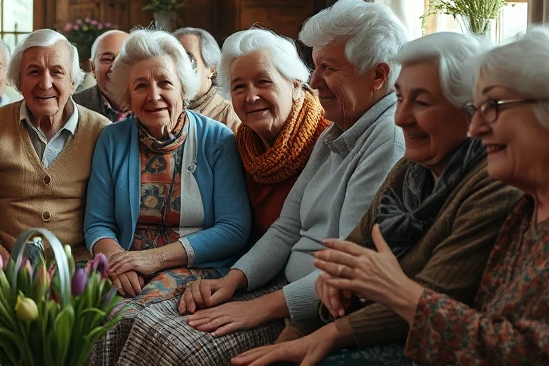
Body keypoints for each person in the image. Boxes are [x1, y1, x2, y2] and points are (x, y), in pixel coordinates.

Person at [112, 0, 408, 366]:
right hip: (280, 287)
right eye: (315, 68)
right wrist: (234, 281)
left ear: (378, 75)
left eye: (327, 69)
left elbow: (347, 274)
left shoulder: (385, 138)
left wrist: (261, 309)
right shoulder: (336, 132)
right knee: (147, 325)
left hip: (311, 304)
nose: (315, 81)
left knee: (183, 347)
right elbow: (287, 228)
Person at [231, 31, 520, 366]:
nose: (400, 118)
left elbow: (429, 301)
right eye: (400, 99)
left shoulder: (492, 183)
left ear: (470, 110)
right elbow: (341, 268)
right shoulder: (409, 169)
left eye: (421, 102)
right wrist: (299, 330)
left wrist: (326, 331)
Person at [298, 27, 549, 365]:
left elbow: (518, 350)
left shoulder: (500, 190)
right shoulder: (525, 209)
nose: (477, 128)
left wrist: (394, 289)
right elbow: (344, 259)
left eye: (491, 107)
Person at [84, 29, 251, 366]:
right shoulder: (111, 140)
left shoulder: (218, 140)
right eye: (141, 86)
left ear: (183, 88)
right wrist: (118, 262)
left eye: (165, 83)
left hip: (195, 266)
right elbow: (97, 224)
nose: (154, 95)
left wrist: (153, 260)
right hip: (125, 266)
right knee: (74, 317)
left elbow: (234, 228)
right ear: (128, 96)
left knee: (137, 324)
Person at [0, 29, 111, 262]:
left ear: (73, 81)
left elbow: (110, 215)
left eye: (57, 72)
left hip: (79, 266)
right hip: (6, 262)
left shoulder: (101, 131)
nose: (45, 83)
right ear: (18, 82)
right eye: (34, 72)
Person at [216, 28, 330, 241]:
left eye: (263, 82)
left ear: (296, 86)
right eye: (239, 87)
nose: (251, 97)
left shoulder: (328, 142)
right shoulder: (236, 149)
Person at [175, 27, 240, 132]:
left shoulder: (229, 114)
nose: (180, 68)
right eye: (174, 59)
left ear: (212, 69)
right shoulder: (162, 110)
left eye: (188, 59)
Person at [74, 29, 131, 122]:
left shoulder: (152, 103)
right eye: (107, 59)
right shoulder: (74, 107)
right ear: (92, 67)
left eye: (124, 58)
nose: (115, 66)